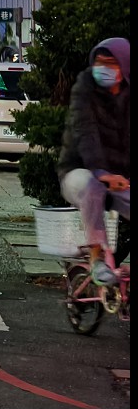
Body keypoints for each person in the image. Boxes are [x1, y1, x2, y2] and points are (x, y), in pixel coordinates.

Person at [58, 37, 131, 286]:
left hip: (120, 179)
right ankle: (97, 258)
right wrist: (100, 171)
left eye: (111, 63)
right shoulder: (85, 87)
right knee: (93, 186)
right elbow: (85, 133)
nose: (104, 68)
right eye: (99, 62)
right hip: (79, 172)